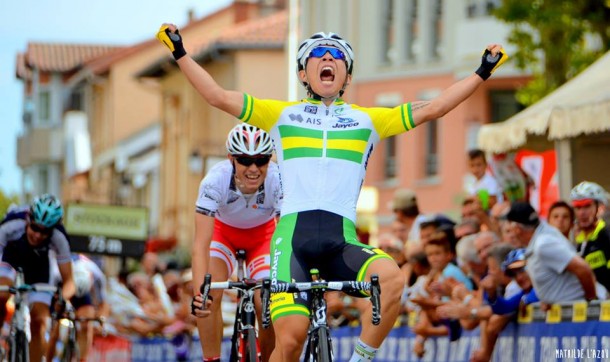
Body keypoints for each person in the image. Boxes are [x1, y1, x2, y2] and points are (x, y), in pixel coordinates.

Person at [158, 24, 507, 361]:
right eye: (318, 54)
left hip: (342, 241)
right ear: (302, 74)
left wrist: (482, 71)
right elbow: (216, 96)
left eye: (338, 55)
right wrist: (180, 51)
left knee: (392, 280)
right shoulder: (281, 115)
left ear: (348, 76)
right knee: (291, 340)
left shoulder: (368, 120)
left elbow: (435, 107)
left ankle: (360, 358)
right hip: (293, 243)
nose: (329, 57)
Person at [190, 124, 281, 361]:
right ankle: (212, 359)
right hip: (224, 236)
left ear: (269, 159)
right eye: (244, 160)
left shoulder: (278, 179)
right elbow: (200, 245)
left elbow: (285, 237)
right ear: (231, 158)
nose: (253, 168)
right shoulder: (214, 181)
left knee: (268, 301)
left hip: (263, 238)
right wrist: (199, 293)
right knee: (208, 296)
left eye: (261, 160)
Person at [0, 194, 75, 361]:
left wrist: (62, 298)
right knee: (2, 295)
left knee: (40, 321)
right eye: (34, 228)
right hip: (10, 260)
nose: (38, 235)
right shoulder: (11, 224)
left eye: (45, 231)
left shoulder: (59, 237)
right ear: (28, 219)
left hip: (39, 268)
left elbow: (70, 282)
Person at [505, 201, 603, 304]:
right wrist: (546, 299)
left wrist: (591, 301)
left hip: (576, 312)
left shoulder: (543, 244)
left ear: (517, 229)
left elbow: (583, 269)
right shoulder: (541, 238)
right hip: (566, 312)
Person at [47, 253, 108, 361]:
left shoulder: (97, 275)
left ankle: (82, 359)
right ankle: (48, 357)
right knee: (55, 328)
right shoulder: (57, 273)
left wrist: (101, 320)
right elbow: (51, 299)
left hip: (84, 295)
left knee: (86, 325)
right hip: (63, 287)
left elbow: (103, 303)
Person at [570, 181, 610, 292]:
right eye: (578, 208)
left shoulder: (606, 234)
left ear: (599, 207)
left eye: (587, 206)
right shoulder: (579, 241)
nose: (582, 213)